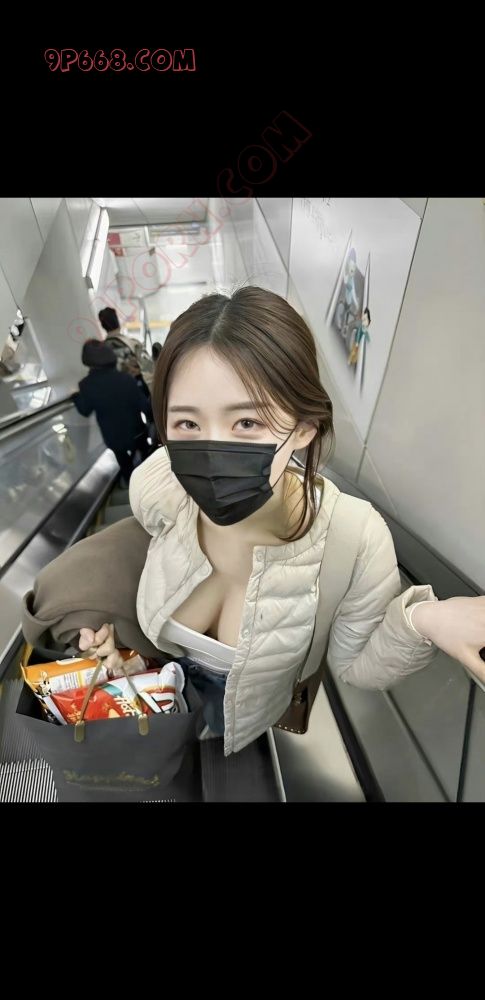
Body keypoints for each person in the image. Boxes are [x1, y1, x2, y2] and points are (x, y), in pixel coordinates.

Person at [48, 288, 485, 754]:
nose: (211, 451)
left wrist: (424, 620)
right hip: (161, 689)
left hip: (248, 720)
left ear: (303, 428)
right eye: (188, 424)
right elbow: (149, 554)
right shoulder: (160, 487)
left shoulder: (353, 538)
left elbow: (357, 665)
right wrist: (123, 649)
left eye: (247, 423)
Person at [71, 340, 151, 484]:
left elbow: (85, 410)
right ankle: (151, 483)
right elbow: (144, 406)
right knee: (147, 461)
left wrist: (75, 396)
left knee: (125, 465)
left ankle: (132, 485)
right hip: (137, 432)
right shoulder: (126, 378)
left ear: (87, 360)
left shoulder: (86, 385)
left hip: (114, 438)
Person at [98, 306, 154, 389]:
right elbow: (149, 368)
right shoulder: (133, 343)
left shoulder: (99, 350)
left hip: (113, 390)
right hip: (137, 389)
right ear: (117, 322)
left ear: (103, 326)